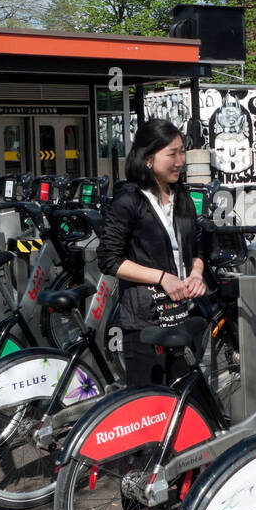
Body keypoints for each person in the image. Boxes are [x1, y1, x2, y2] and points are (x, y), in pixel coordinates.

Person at [97, 118, 207, 390]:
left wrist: (196, 274)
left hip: (182, 316)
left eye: (182, 151)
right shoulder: (129, 200)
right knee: (149, 406)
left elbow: (198, 244)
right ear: (148, 158)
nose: (180, 161)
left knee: (184, 401)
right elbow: (109, 260)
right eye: (171, 153)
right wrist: (162, 278)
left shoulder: (182, 196)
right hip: (146, 322)